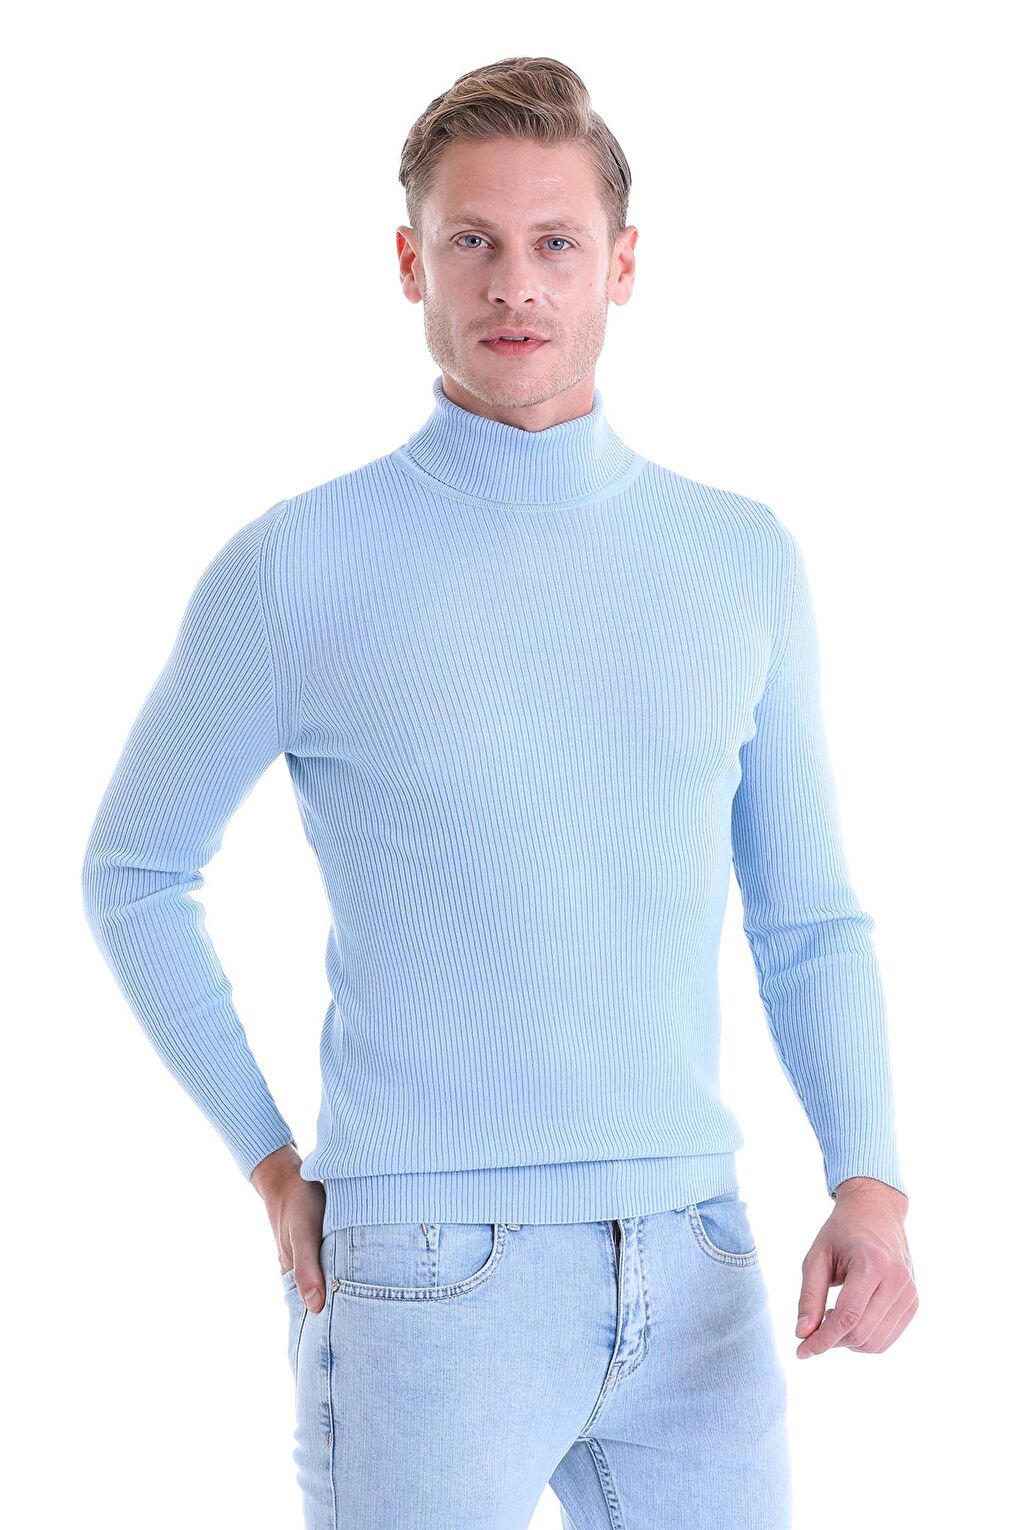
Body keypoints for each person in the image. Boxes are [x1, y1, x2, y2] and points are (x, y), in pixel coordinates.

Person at [81, 54, 917, 1530]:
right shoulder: (300, 567)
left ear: (623, 264)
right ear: (411, 261)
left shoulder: (741, 561)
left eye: (555, 242)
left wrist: (872, 1179)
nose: (514, 284)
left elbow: (807, 914)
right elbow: (135, 870)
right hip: (425, 1271)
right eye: (472, 240)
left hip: (699, 1256)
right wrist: (272, 1163)